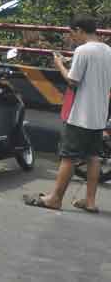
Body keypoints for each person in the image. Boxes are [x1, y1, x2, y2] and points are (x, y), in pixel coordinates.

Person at [24, 15, 111, 213]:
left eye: (72, 34)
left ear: (79, 30)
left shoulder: (83, 50)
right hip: (99, 115)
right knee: (93, 157)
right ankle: (90, 201)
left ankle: (55, 199)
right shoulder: (107, 50)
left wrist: (60, 65)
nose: (72, 38)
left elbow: (73, 81)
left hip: (80, 114)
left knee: (68, 156)